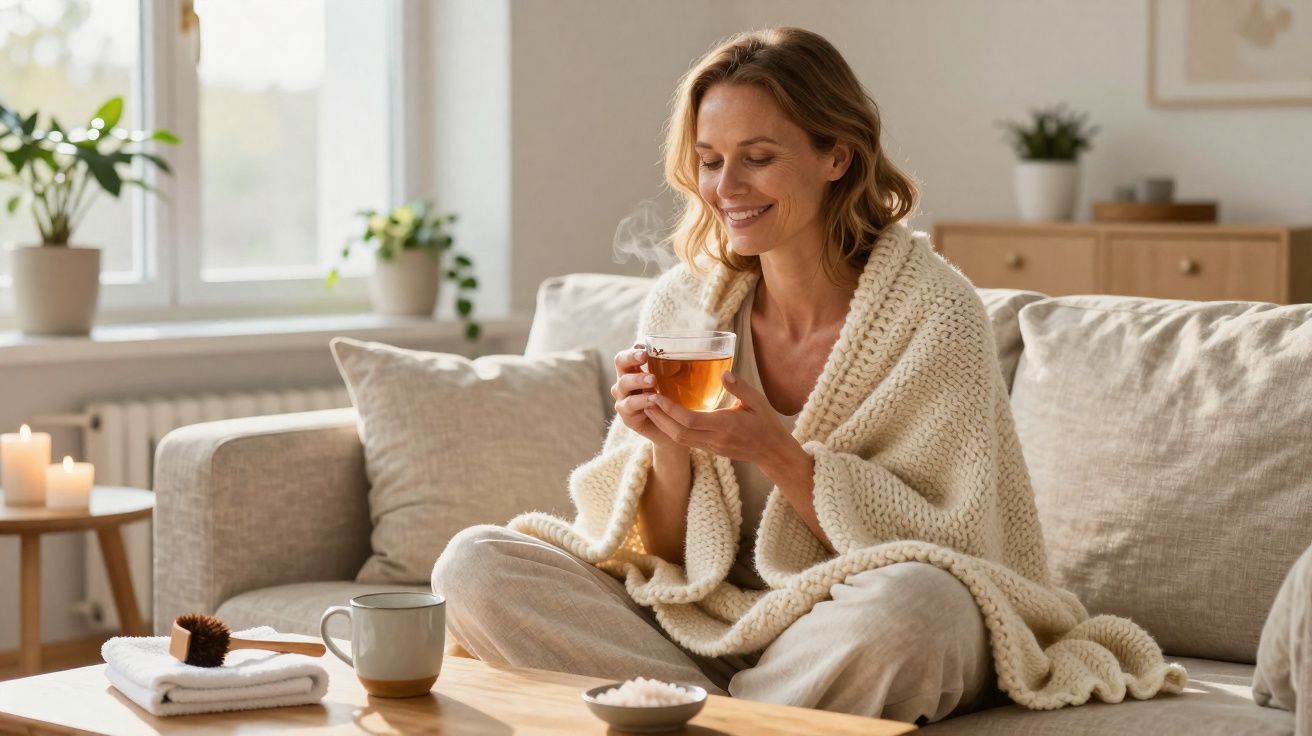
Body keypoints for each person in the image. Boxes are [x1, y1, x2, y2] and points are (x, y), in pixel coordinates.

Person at [432, 27, 1186, 725]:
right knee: (476, 564)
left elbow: (951, 544)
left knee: (920, 606)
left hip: (853, 625)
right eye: (710, 159)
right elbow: (661, 555)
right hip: (710, 625)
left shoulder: (934, 312)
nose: (727, 186)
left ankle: (697, 712)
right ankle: (758, 716)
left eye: (758, 156)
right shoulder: (687, 303)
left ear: (838, 155)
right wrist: (662, 440)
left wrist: (776, 450)